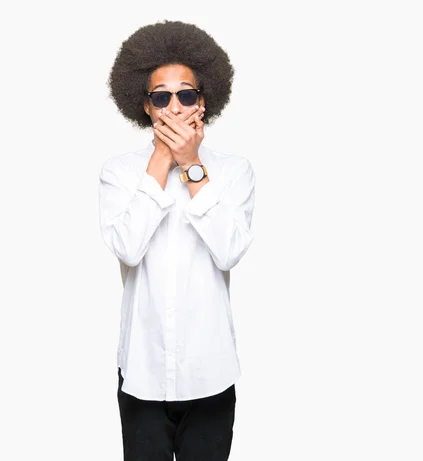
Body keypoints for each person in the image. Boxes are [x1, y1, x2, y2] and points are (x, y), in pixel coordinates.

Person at [98, 20, 256, 461]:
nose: (174, 106)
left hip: (211, 371)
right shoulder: (120, 172)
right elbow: (128, 247)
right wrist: (161, 160)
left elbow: (229, 251)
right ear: (145, 106)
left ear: (203, 102)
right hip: (142, 371)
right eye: (161, 97)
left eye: (186, 94)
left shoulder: (234, 171)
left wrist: (190, 166)